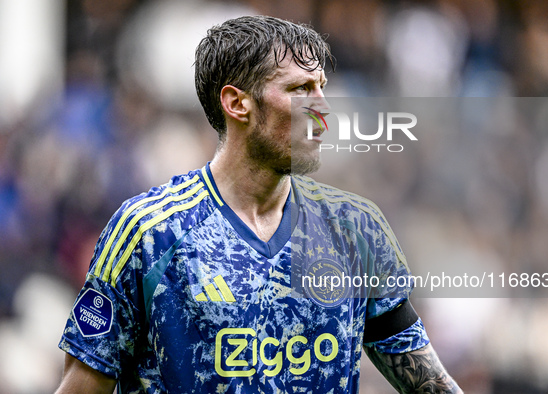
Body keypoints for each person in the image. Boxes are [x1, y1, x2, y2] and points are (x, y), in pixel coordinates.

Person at [56, 15, 462, 393]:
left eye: (321, 87)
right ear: (237, 103)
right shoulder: (149, 232)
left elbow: (431, 384)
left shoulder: (355, 229)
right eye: (301, 89)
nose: (322, 109)